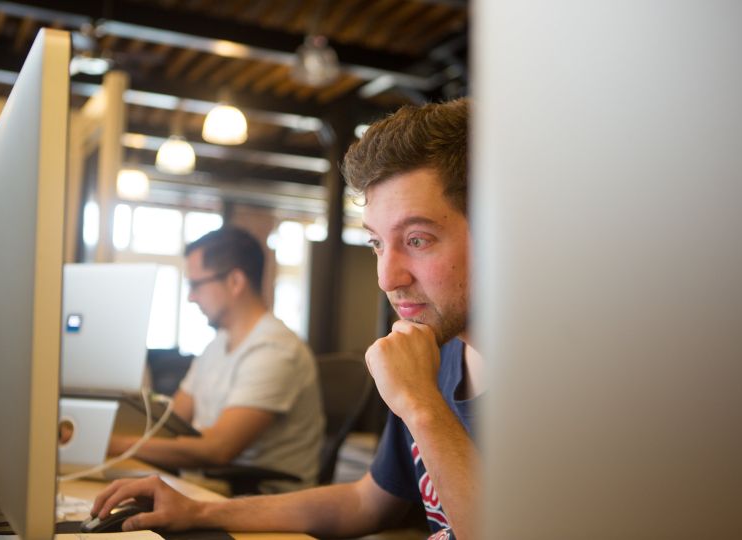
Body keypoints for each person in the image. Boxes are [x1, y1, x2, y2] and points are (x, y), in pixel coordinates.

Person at [92, 98, 481, 539]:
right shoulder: (438, 357)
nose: (387, 277)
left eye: (417, 239)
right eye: (376, 243)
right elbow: (364, 502)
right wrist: (198, 512)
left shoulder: (561, 386)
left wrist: (421, 406)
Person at [108, 226, 325, 493]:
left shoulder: (276, 350)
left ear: (235, 281)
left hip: (255, 498)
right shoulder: (217, 345)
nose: (190, 296)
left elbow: (217, 449)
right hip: (212, 486)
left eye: (196, 284)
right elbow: (169, 421)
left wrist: (112, 444)